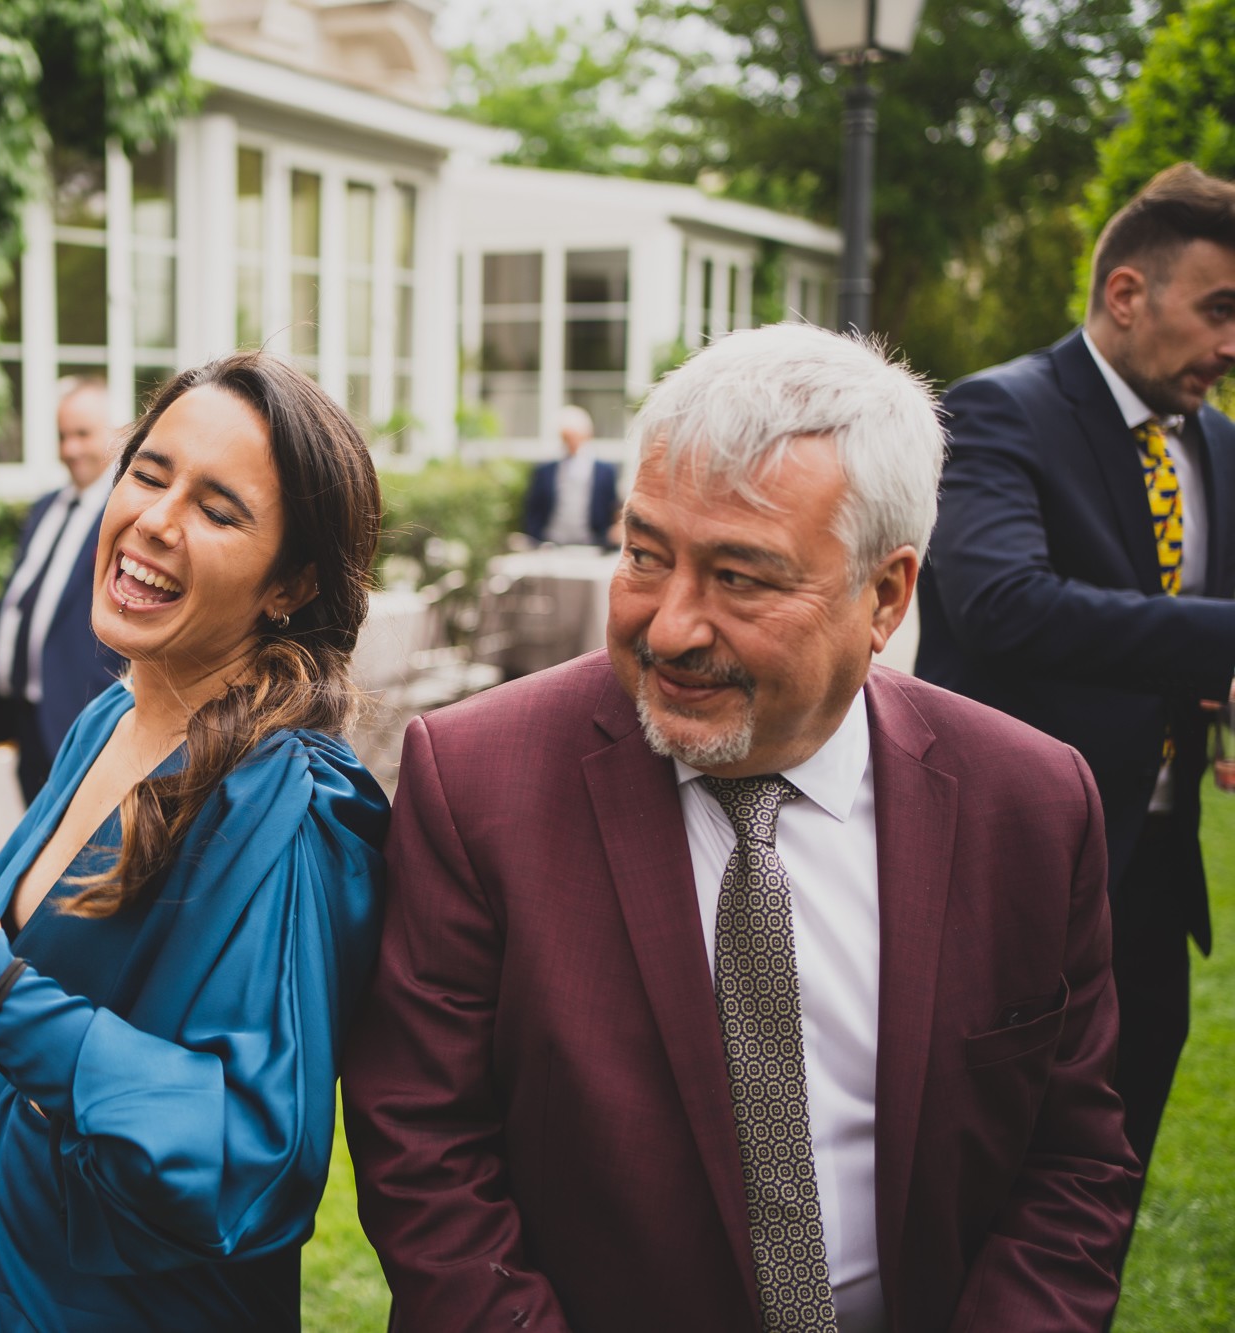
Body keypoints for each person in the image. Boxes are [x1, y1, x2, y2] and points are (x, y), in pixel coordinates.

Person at [343, 324, 1137, 1332]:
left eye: (739, 576)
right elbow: (426, 1153)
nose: (669, 625)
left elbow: (1069, 1164)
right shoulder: (476, 782)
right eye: (644, 555)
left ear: (883, 594)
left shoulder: (1028, 805)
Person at [0, 351, 389, 1332]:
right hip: (12, 1266)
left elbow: (251, 1161)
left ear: (289, 581)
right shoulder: (106, 720)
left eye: (218, 510)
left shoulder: (290, 807)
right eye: (148, 472)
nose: (154, 522)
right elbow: (3, 964)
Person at [915, 162, 1235, 1213]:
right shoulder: (997, 412)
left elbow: (1175, 639)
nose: (1231, 345)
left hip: (1152, 874)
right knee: (975, 1184)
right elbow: (1002, 603)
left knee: (1104, 1179)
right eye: (1217, 309)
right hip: (1000, 871)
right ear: (1125, 293)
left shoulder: (1217, 444)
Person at [0, 377, 126, 803]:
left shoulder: (125, 514)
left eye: (83, 434)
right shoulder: (45, 507)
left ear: (115, 436)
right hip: (27, 713)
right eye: (63, 436)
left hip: (83, 712)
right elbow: (20, 601)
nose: (70, 449)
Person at [521, 403, 619, 547]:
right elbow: (533, 509)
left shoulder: (605, 471)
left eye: (574, 436)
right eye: (566, 437)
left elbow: (612, 507)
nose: (570, 442)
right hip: (551, 544)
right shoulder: (545, 471)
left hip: (592, 545)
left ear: (587, 435)